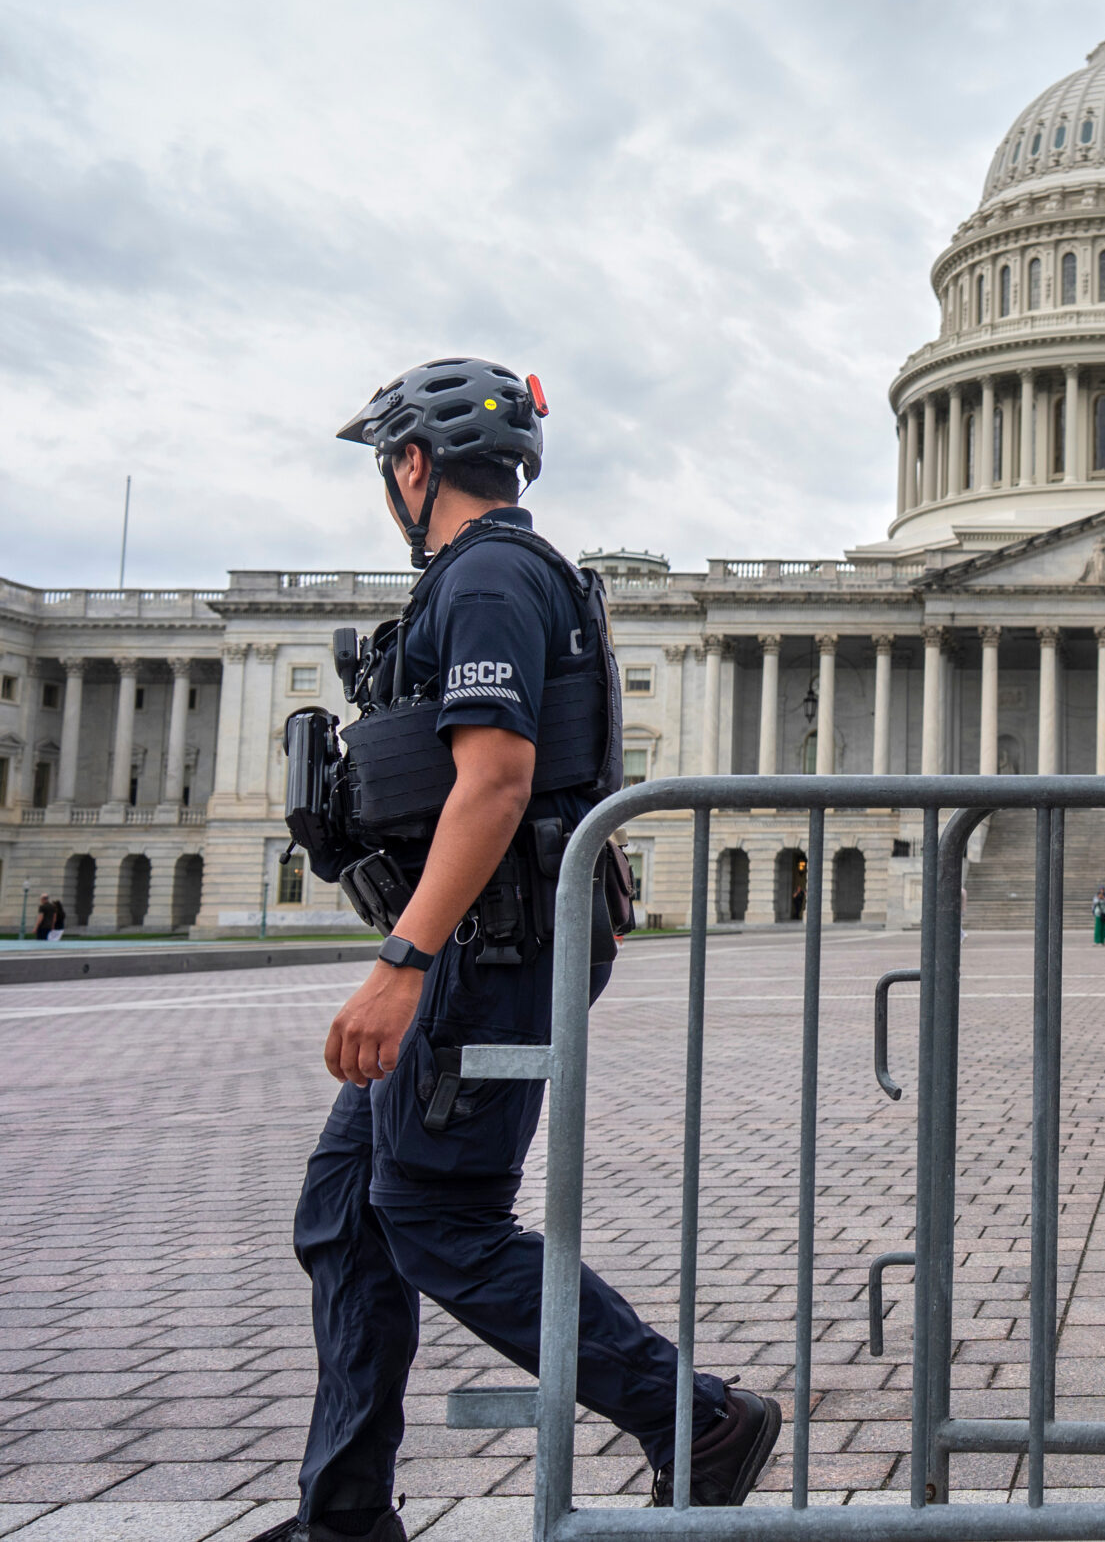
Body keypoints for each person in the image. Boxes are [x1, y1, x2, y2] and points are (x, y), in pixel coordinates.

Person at [258, 360, 779, 1542]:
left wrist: (399, 960)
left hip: (486, 947)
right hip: (483, 938)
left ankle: (689, 1417)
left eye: (385, 469)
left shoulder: (488, 578)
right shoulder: (487, 576)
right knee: (347, 1209)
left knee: (440, 1218)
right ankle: (342, 1513)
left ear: (411, 466)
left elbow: (494, 784)